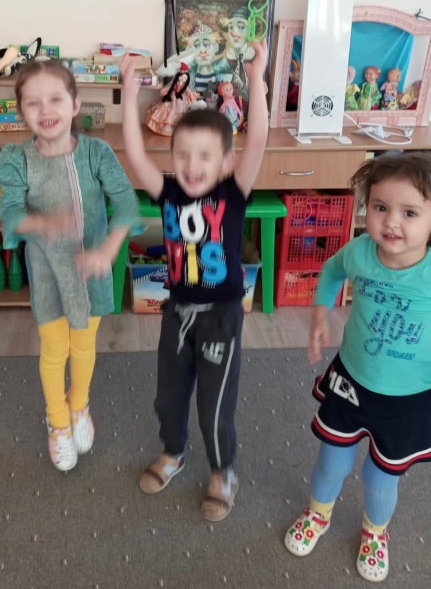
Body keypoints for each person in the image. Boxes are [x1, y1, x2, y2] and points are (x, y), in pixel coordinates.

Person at [120, 38, 269, 521]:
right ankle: (173, 453)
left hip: (221, 317)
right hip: (177, 312)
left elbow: (258, 140)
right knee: (168, 396)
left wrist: (257, 80)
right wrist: (128, 95)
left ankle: (223, 472)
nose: (192, 165)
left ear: (226, 161)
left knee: (214, 404)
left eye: (205, 156)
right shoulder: (167, 192)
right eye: (182, 154)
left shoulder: (233, 192)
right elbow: (135, 155)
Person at [284, 152, 431, 582]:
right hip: (350, 382)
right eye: (381, 207)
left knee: (380, 478)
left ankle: (375, 532)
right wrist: (320, 315)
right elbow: (331, 271)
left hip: (408, 401)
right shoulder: (361, 253)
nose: (391, 222)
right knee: (331, 461)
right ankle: (318, 513)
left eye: (410, 213)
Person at [0, 59, 142, 472]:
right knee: (54, 348)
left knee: (83, 344)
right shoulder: (15, 157)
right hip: (47, 273)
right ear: (21, 111)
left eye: (55, 99)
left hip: (90, 272)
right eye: (33, 102)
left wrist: (108, 250)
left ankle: (79, 405)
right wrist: (41, 223)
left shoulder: (97, 153)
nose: (45, 110)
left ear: (75, 104)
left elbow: (126, 203)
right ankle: (58, 421)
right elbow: (10, 212)